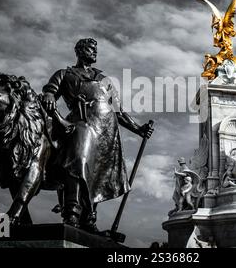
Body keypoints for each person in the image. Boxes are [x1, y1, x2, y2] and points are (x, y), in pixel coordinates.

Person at [42, 38, 153, 232]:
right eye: (91, 49)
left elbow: (118, 111)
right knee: (78, 160)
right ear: (79, 51)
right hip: (82, 123)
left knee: (98, 174)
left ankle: (89, 219)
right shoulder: (64, 74)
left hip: (106, 131)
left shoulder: (103, 79)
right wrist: (50, 97)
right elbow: (50, 91)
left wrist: (138, 129)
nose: (95, 52)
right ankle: (72, 212)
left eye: (95, 49)